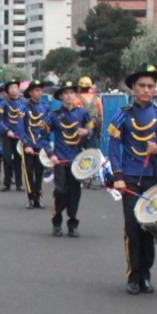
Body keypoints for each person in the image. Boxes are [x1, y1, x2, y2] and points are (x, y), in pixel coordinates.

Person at [107, 64, 157, 294]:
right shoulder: (123, 114)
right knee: (132, 229)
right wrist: (117, 176)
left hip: (153, 181)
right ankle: (133, 275)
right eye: (142, 86)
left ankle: (146, 275)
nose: (147, 90)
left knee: (149, 230)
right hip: (129, 180)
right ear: (133, 88)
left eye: (151, 86)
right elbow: (113, 147)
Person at [44, 82, 93, 237]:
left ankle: (72, 223)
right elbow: (43, 136)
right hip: (60, 159)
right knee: (60, 191)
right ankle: (56, 220)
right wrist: (50, 153)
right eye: (65, 93)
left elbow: (92, 132)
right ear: (60, 97)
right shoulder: (53, 115)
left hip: (77, 160)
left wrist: (87, 133)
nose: (69, 96)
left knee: (75, 193)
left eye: (72, 92)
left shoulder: (83, 113)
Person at [20, 81, 50, 209]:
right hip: (28, 143)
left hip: (41, 144)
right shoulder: (24, 107)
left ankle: (38, 197)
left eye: (40, 90)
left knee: (39, 172)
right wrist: (26, 144)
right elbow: (20, 127)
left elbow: (48, 127)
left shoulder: (46, 107)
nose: (38, 93)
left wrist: (46, 144)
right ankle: (31, 197)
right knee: (28, 172)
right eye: (36, 90)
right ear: (30, 92)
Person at [0, 81, 25, 192]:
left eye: (15, 87)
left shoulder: (24, 103)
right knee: (7, 159)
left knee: (18, 159)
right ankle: (6, 183)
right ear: (7, 91)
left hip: (19, 135)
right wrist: (6, 130)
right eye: (11, 88)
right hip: (7, 134)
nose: (13, 89)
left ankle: (19, 184)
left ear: (18, 89)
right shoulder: (3, 103)